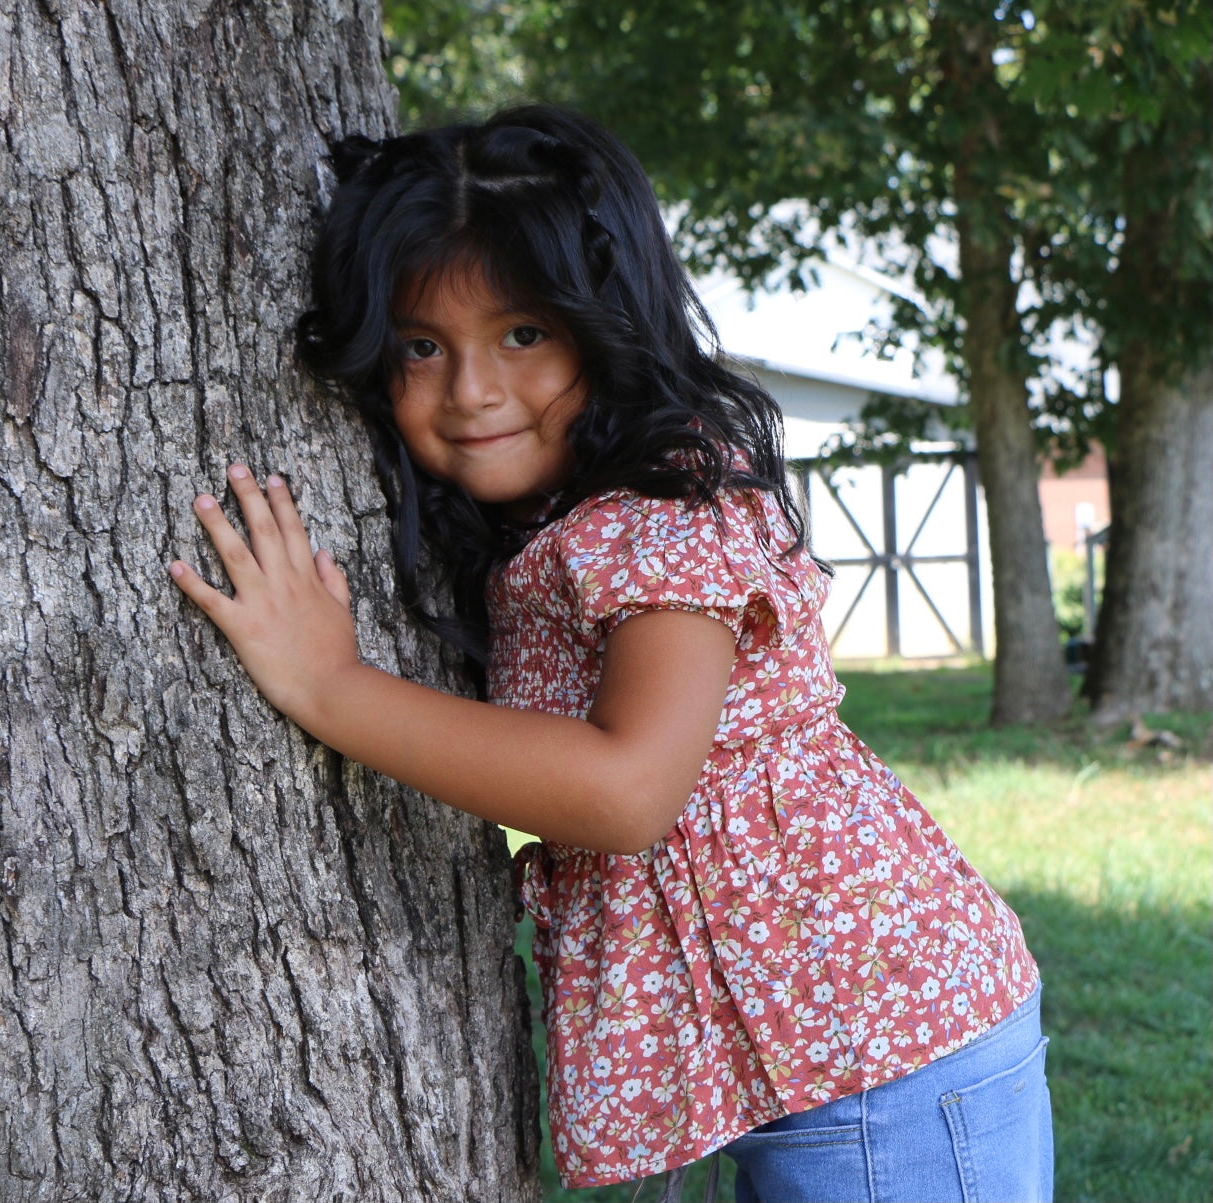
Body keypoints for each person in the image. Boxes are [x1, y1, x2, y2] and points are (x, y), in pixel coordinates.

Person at [168, 105, 1053, 1202]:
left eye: (523, 335)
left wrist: (330, 683)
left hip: (885, 1048)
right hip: (821, 1046)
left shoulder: (666, 503)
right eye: (420, 346)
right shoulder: (556, 517)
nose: (473, 390)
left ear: (607, 320)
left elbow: (630, 788)